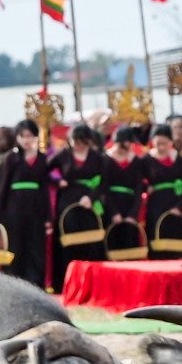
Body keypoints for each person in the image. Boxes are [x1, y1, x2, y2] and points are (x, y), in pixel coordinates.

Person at [44, 122, 109, 289]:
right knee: (67, 242)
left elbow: (104, 182)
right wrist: (57, 181)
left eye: (81, 142)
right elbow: (44, 169)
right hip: (67, 201)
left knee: (91, 242)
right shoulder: (63, 155)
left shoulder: (98, 158)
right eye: (75, 141)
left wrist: (91, 197)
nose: (77, 145)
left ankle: (93, 282)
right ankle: (65, 282)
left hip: (88, 203)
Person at [0, 118, 50, 288]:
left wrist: (48, 215)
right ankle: (13, 282)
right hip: (14, 207)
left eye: (30, 136)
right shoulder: (11, 158)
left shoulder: (41, 158)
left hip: (35, 207)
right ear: (17, 137)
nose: (27, 140)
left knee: (35, 245)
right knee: (15, 245)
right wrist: (0, 214)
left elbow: (44, 187)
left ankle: (35, 283)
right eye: (23, 136)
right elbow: (3, 187)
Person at [139, 125, 182, 259]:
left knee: (177, 233)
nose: (161, 147)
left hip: (175, 201)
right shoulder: (146, 159)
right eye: (158, 143)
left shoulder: (177, 159)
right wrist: (146, 188)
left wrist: (179, 206)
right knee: (156, 231)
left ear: (170, 142)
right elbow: (138, 182)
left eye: (164, 143)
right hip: (156, 203)